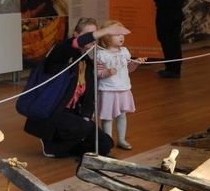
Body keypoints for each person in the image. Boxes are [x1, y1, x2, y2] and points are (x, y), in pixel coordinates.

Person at [21, 18, 129, 158]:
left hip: (73, 115)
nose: (93, 38)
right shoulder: (62, 50)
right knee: (85, 128)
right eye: (90, 34)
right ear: (76, 34)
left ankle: (62, 146)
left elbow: (89, 97)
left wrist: (85, 116)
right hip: (53, 113)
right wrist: (106, 31)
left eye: (95, 34)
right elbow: (75, 44)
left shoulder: (87, 62)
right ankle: (53, 140)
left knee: (105, 144)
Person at [95, 20, 146, 150]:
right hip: (108, 90)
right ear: (106, 37)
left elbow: (128, 69)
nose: (121, 37)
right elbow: (97, 73)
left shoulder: (125, 52)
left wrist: (135, 63)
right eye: (117, 34)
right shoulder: (101, 54)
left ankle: (121, 139)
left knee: (122, 115)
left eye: (122, 34)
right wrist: (106, 72)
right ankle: (108, 143)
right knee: (107, 117)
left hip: (123, 88)